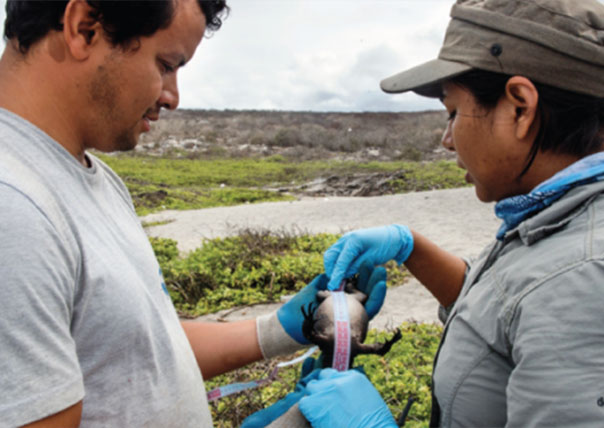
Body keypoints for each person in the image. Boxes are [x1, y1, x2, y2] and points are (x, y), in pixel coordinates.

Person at [0, 1, 390, 426]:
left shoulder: (92, 177)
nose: (173, 96)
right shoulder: (14, 207)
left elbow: (137, 348)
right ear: (85, 28)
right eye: (166, 64)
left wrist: (279, 330)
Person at [260, 0, 604, 427]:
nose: (446, 139)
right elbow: (509, 312)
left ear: (520, 107)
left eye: (453, 112)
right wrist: (410, 247)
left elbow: (550, 299)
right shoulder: (555, 217)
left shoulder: (584, 278)